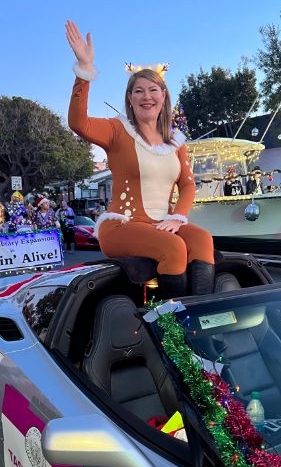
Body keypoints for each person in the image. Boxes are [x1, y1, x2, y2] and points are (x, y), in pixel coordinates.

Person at [65, 20, 214, 295]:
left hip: (162, 224)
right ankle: (174, 333)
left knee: (203, 239)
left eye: (153, 90)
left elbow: (188, 184)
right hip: (122, 225)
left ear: (163, 95)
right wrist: (84, 71)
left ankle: (199, 325)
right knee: (173, 248)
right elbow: (78, 122)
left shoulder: (176, 140)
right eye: (139, 91)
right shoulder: (116, 130)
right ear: (130, 99)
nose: (147, 97)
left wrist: (178, 217)